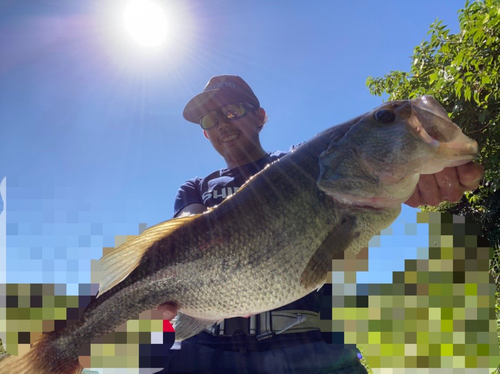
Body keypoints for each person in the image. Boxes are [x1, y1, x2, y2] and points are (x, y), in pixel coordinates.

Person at [154, 75, 484, 373]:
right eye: (211, 118)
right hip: (208, 353)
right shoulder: (194, 188)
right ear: (205, 132)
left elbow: (355, 167)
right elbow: (183, 231)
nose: (223, 123)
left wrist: (420, 166)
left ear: (260, 116)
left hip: (307, 350)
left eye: (233, 111)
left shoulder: (308, 161)